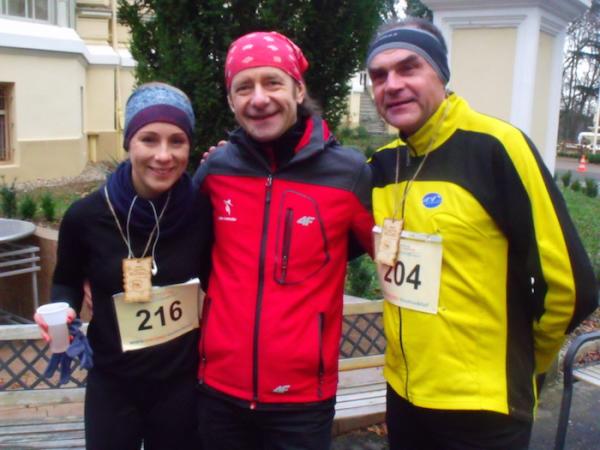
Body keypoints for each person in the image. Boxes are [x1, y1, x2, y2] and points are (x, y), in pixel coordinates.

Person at [366, 18, 598, 450]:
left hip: (481, 406)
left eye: (408, 68)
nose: (392, 85)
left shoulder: (497, 146)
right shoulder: (382, 164)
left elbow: (571, 285)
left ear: (441, 73)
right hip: (404, 394)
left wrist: (526, 362)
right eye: (379, 76)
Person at [193, 31, 374, 450]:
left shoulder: (347, 173)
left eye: (272, 82)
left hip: (302, 400)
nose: (259, 99)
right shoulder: (216, 170)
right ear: (231, 101)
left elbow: (384, 251)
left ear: (298, 89)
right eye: (244, 87)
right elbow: (178, 240)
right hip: (219, 390)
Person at [35, 82, 212, 450]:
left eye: (177, 141)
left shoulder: (202, 211)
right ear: (129, 142)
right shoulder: (85, 216)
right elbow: (66, 280)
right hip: (113, 386)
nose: (163, 155)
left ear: (189, 147)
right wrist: (62, 308)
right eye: (149, 139)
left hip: (182, 386)